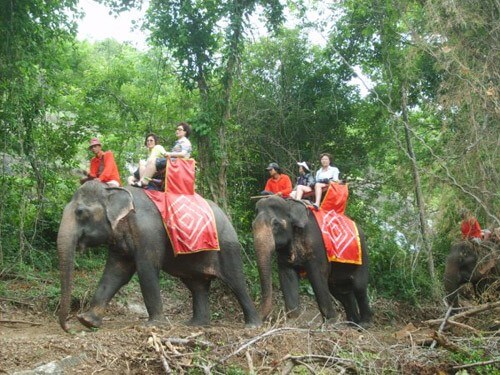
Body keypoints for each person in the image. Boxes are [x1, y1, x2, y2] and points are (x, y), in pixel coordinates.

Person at [134, 122, 192, 187]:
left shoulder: (185, 142)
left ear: (185, 132)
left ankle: (144, 181)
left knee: (153, 161)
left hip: (176, 163)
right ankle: (143, 181)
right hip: (172, 162)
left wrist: (169, 154)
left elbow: (183, 154)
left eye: (180, 129)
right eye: (177, 129)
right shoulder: (179, 142)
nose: (177, 131)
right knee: (149, 161)